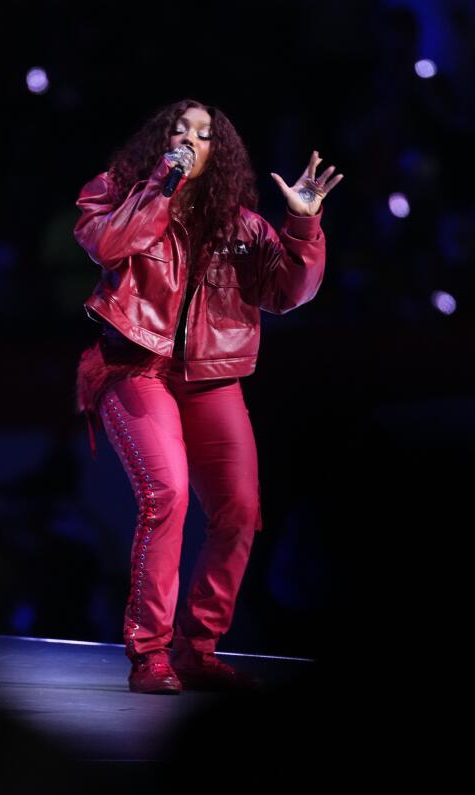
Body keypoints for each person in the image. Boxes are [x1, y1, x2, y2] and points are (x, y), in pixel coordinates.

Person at [74, 99, 343, 693]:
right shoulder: (115, 193)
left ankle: (198, 647)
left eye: (205, 135)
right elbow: (109, 246)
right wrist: (161, 183)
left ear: (220, 153)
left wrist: (303, 224)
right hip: (134, 367)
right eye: (180, 131)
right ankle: (150, 654)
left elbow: (289, 293)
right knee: (166, 493)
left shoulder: (243, 225)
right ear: (160, 140)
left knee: (241, 509)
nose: (192, 141)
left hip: (212, 376)